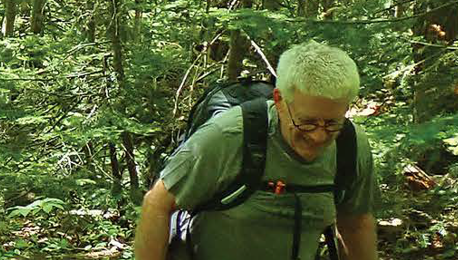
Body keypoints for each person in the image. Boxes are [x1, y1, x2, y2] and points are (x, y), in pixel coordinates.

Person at [133, 42, 379, 260]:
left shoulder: (350, 146)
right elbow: (157, 203)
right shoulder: (227, 137)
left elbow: (356, 224)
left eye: (332, 123)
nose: (318, 135)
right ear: (279, 101)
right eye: (307, 122)